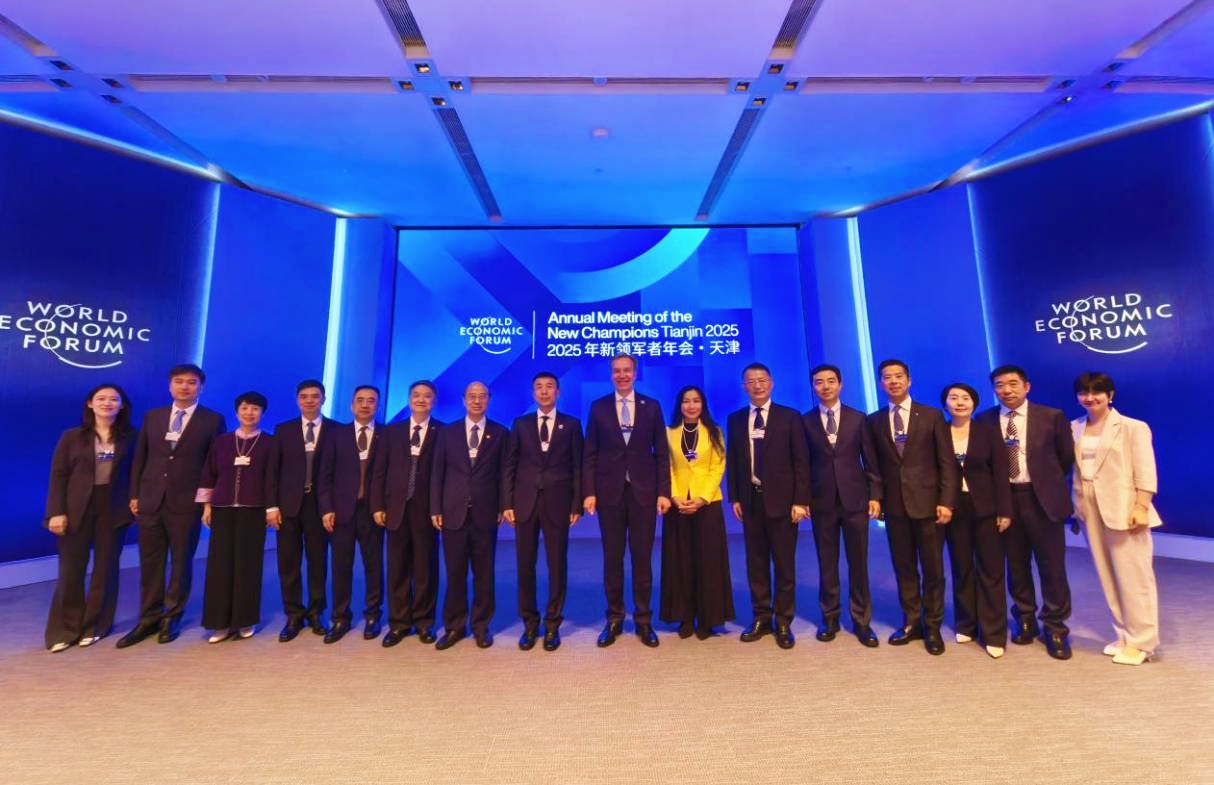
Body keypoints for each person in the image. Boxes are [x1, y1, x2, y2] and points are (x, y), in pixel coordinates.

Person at [119, 363, 226, 648]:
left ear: (201, 387)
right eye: (179, 381)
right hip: (151, 500)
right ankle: (149, 617)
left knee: (181, 562)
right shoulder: (153, 417)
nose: (184, 387)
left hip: (187, 503)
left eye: (191, 382)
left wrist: (207, 501)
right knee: (150, 562)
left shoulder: (212, 420)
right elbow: (140, 459)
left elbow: (214, 465)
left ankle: (172, 616)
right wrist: (135, 494)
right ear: (170, 386)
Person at [976, 365, 1075, 660]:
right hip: (1006, 502)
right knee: (1016, 565)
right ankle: (1025, 618)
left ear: (1026, 386)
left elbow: (1065, 458)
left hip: (1042, 500)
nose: (1006, 390)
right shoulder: (984, 420)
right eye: (999, 385)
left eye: (1013, 383)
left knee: (1052, 567)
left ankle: (1055, 627)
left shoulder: (1051, 416)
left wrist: (1044, 484)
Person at [866, 359, 956, 655]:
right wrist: (876, 497)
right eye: (887, 377)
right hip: (895, 508)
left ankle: (933, 625)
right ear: (881, 383)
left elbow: (946, 462)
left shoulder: (931, 415)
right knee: (904, 567)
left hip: (929, 505)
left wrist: (946, 500)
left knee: (933, 569)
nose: (893, 381)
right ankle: (912, 621)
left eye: (898, 376)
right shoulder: (875, 420)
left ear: (909, 380)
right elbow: (874, 467)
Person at [1071, 372, 1162, 666]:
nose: (1090, 397)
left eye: (1096, 392)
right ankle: (1124, 635)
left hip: (1125, 509)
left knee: (1134, 577)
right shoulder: (1074, 427)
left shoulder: (1133, 427)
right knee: (1107, 576)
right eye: (1083, 392)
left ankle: (1143, 642)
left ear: (1110, 395)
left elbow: (1145, 469)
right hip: (1088, 509)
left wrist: (1141, 505)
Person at [583, 353, 671, 648]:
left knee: (642, 558)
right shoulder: (598, 407)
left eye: (627, 370)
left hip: (644, 493)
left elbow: (662, 454)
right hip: (609, 493)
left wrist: (663, 492)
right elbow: (590, 453)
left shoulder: (651, 406)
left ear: (635, 373)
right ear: (611, 375)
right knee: (613, 558)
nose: (622, 375)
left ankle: (644, 620)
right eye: (617, 371)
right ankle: (615, 618)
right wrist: (589, 491)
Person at [43, 384, 137, 652]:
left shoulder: (133, 437)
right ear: (90, 404)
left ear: (122, 405)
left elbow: (137, 473)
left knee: (106, 569)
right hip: (76, 508)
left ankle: (95, 626)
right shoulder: (72, 437)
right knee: (70, 570)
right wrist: (55, 512)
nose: (107, 403)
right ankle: (65, 629)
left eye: (114, 399)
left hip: (114, 508)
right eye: (101, 398)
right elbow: (58, 475)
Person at [726, 362, 810, 650]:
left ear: (771, 383)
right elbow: (735, 461)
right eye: (751, 381)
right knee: (757, 563)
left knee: (784, 564)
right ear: (744, 387)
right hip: (751, 500)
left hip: (784, 503)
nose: (757, 385)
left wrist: (801, 501)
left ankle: (783, 620)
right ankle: (761, 616)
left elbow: (801, 462)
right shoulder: (736, 419)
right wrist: (735, 497)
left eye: (762, 380)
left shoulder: (790, 417)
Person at [501, 372, 583, 652]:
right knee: (525, 565)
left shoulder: (572, 424)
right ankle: (529, 623)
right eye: (539, 387)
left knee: (557, 565)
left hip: (558, 504)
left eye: (549, 387)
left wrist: (576, 504)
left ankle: (552, 624)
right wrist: (507, 503)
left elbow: (577, 467)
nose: (544, 391)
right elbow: (510, 466)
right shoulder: (520, 424)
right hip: (524, 504)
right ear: (533, 392)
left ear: (558, 392)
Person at [802, 364, 882, 648]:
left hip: (855, 500)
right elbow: (802, 465)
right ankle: (830, 618)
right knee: (827, 563)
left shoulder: (858, 418)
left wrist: (875, 495)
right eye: (819, 382)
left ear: (840, 384)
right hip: (821, 501)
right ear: (813, 386)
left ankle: (862, 620)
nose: (825, 386)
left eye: (830, 381)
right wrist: (802, 498)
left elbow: (870, 461)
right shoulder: (805, 421)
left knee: (858, 563)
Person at [430, 381, 508, 650]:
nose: (477, 400)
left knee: (484, 573)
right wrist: (435, 508)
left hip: (486, 513)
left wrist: (503, 505)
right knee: (455, 573)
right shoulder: (447, 432)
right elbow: (437, 473)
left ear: (488, 399)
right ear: (464, 400)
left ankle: (481, 626)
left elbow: (504, 474)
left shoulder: (500, 432)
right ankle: (454, 626)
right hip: (453, 512)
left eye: (482, 396)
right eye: (472, 396)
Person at [197, 392, 277, 643]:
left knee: (248, 565)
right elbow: (209, 474)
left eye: (255, 409)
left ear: (262, 413)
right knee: (219, 566)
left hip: (253, 509)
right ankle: (219, 623)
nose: (249, 413)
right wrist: (207, 506)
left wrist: (271, 508)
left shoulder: (270, 443)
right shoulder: (221, 442)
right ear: (237, 411)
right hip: (222, 508)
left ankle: (244, 620)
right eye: (244, 408)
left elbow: (272, 478)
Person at [941, 383, 1012, 659]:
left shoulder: (988, 431)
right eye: (953, 398)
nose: (960, 402)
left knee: (991, 570)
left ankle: (993, 633)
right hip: (953, 508)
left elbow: (1001, 473)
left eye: (966, 398)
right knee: (961, 567)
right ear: (945, 403)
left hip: (987, 508)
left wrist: (1005, 510)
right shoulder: (939, 431)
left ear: (974, 403)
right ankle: (966, 623)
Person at [659, 385, 733, 640]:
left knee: (708, 562)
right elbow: (665, 466)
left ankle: (708, 618)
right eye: (686, 401)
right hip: (677, 503)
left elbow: (717, 468)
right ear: (679, 405)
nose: (691, 406)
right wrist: (675, 496)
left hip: (707, 504)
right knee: (680, 562)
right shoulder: (668, 433)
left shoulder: (715, 432)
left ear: (703, 405)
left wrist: (702, 499)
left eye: (696, 401)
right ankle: (685, 617)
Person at [372, 380, 443, 647]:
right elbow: (379, 471)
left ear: (434, 401)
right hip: (395, 509)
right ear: (409, 398)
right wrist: (378, 505)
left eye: (427, 396)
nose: (421, 399)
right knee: (397, 568)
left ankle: (424, 622)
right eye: (416, 395)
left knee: (425, 569)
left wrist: (439, 508)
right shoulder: (392, 431)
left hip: (427, 510)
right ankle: (399, 623)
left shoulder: (443, 431)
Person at [266, 379, 332, 642]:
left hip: (319, 506)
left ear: (323, 399)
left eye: (315, 396)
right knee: (288, 562)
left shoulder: (336, 430)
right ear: (297, 400)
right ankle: (293, 614)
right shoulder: (283, 430)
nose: (309, 401)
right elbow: (272, 471)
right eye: (304, 396)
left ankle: (316, 612)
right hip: (287, 506)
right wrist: (271, 506)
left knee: (318, 561)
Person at [318, 385, 385, 643]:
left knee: (373, 566)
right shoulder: (336, 435)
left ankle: (373, 616)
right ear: (352, 405)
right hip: (341, 511)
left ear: (377, 405)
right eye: (360, 400)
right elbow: (324, 475)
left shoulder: (387, 435)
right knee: (341, 567)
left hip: (373, 512)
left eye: (371, 401)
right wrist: (326, 508)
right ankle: (340, 617)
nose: (365, 405)